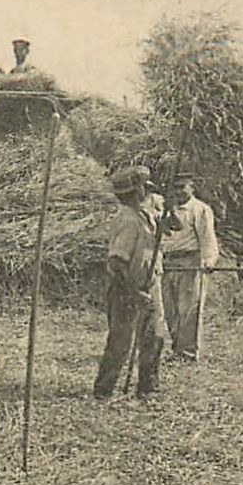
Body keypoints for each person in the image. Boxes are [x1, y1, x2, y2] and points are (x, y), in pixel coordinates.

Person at [94, 165, 168, 401]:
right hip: (128, 289)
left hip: (150, 285)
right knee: (121, 342)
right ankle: (104, 390)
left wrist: (170, 214)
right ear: (136, 192)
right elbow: (117, 263)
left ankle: (148, 386)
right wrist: (134, 292)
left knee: (154, 336)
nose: (148, 193)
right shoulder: (128, 220)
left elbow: (173, 226)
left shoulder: (145, 215)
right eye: (145, 189)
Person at [159, 171, 220, 361]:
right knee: (170, 309)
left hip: (189, 262)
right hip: (167, 262)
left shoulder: (200, 210)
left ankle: (187, 352)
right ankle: (178, 347)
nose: (178, 192)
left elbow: (207, 237)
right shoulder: (165, 210)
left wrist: (209, 261)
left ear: (191, 187)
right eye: (175, 187)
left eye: (182, 187)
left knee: (189, 309)